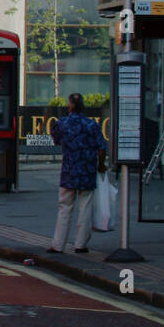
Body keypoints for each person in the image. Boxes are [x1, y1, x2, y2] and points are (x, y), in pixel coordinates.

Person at [48, 93, 108, 254]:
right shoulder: (91, 125)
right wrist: (100, 165)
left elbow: (55, 139)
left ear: (69, 106)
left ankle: (58, 244)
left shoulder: (62, 123)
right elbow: (102, 148)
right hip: (87, 171)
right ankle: (80, 245)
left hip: (69, 171)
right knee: (85, 208)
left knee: (65, 208)